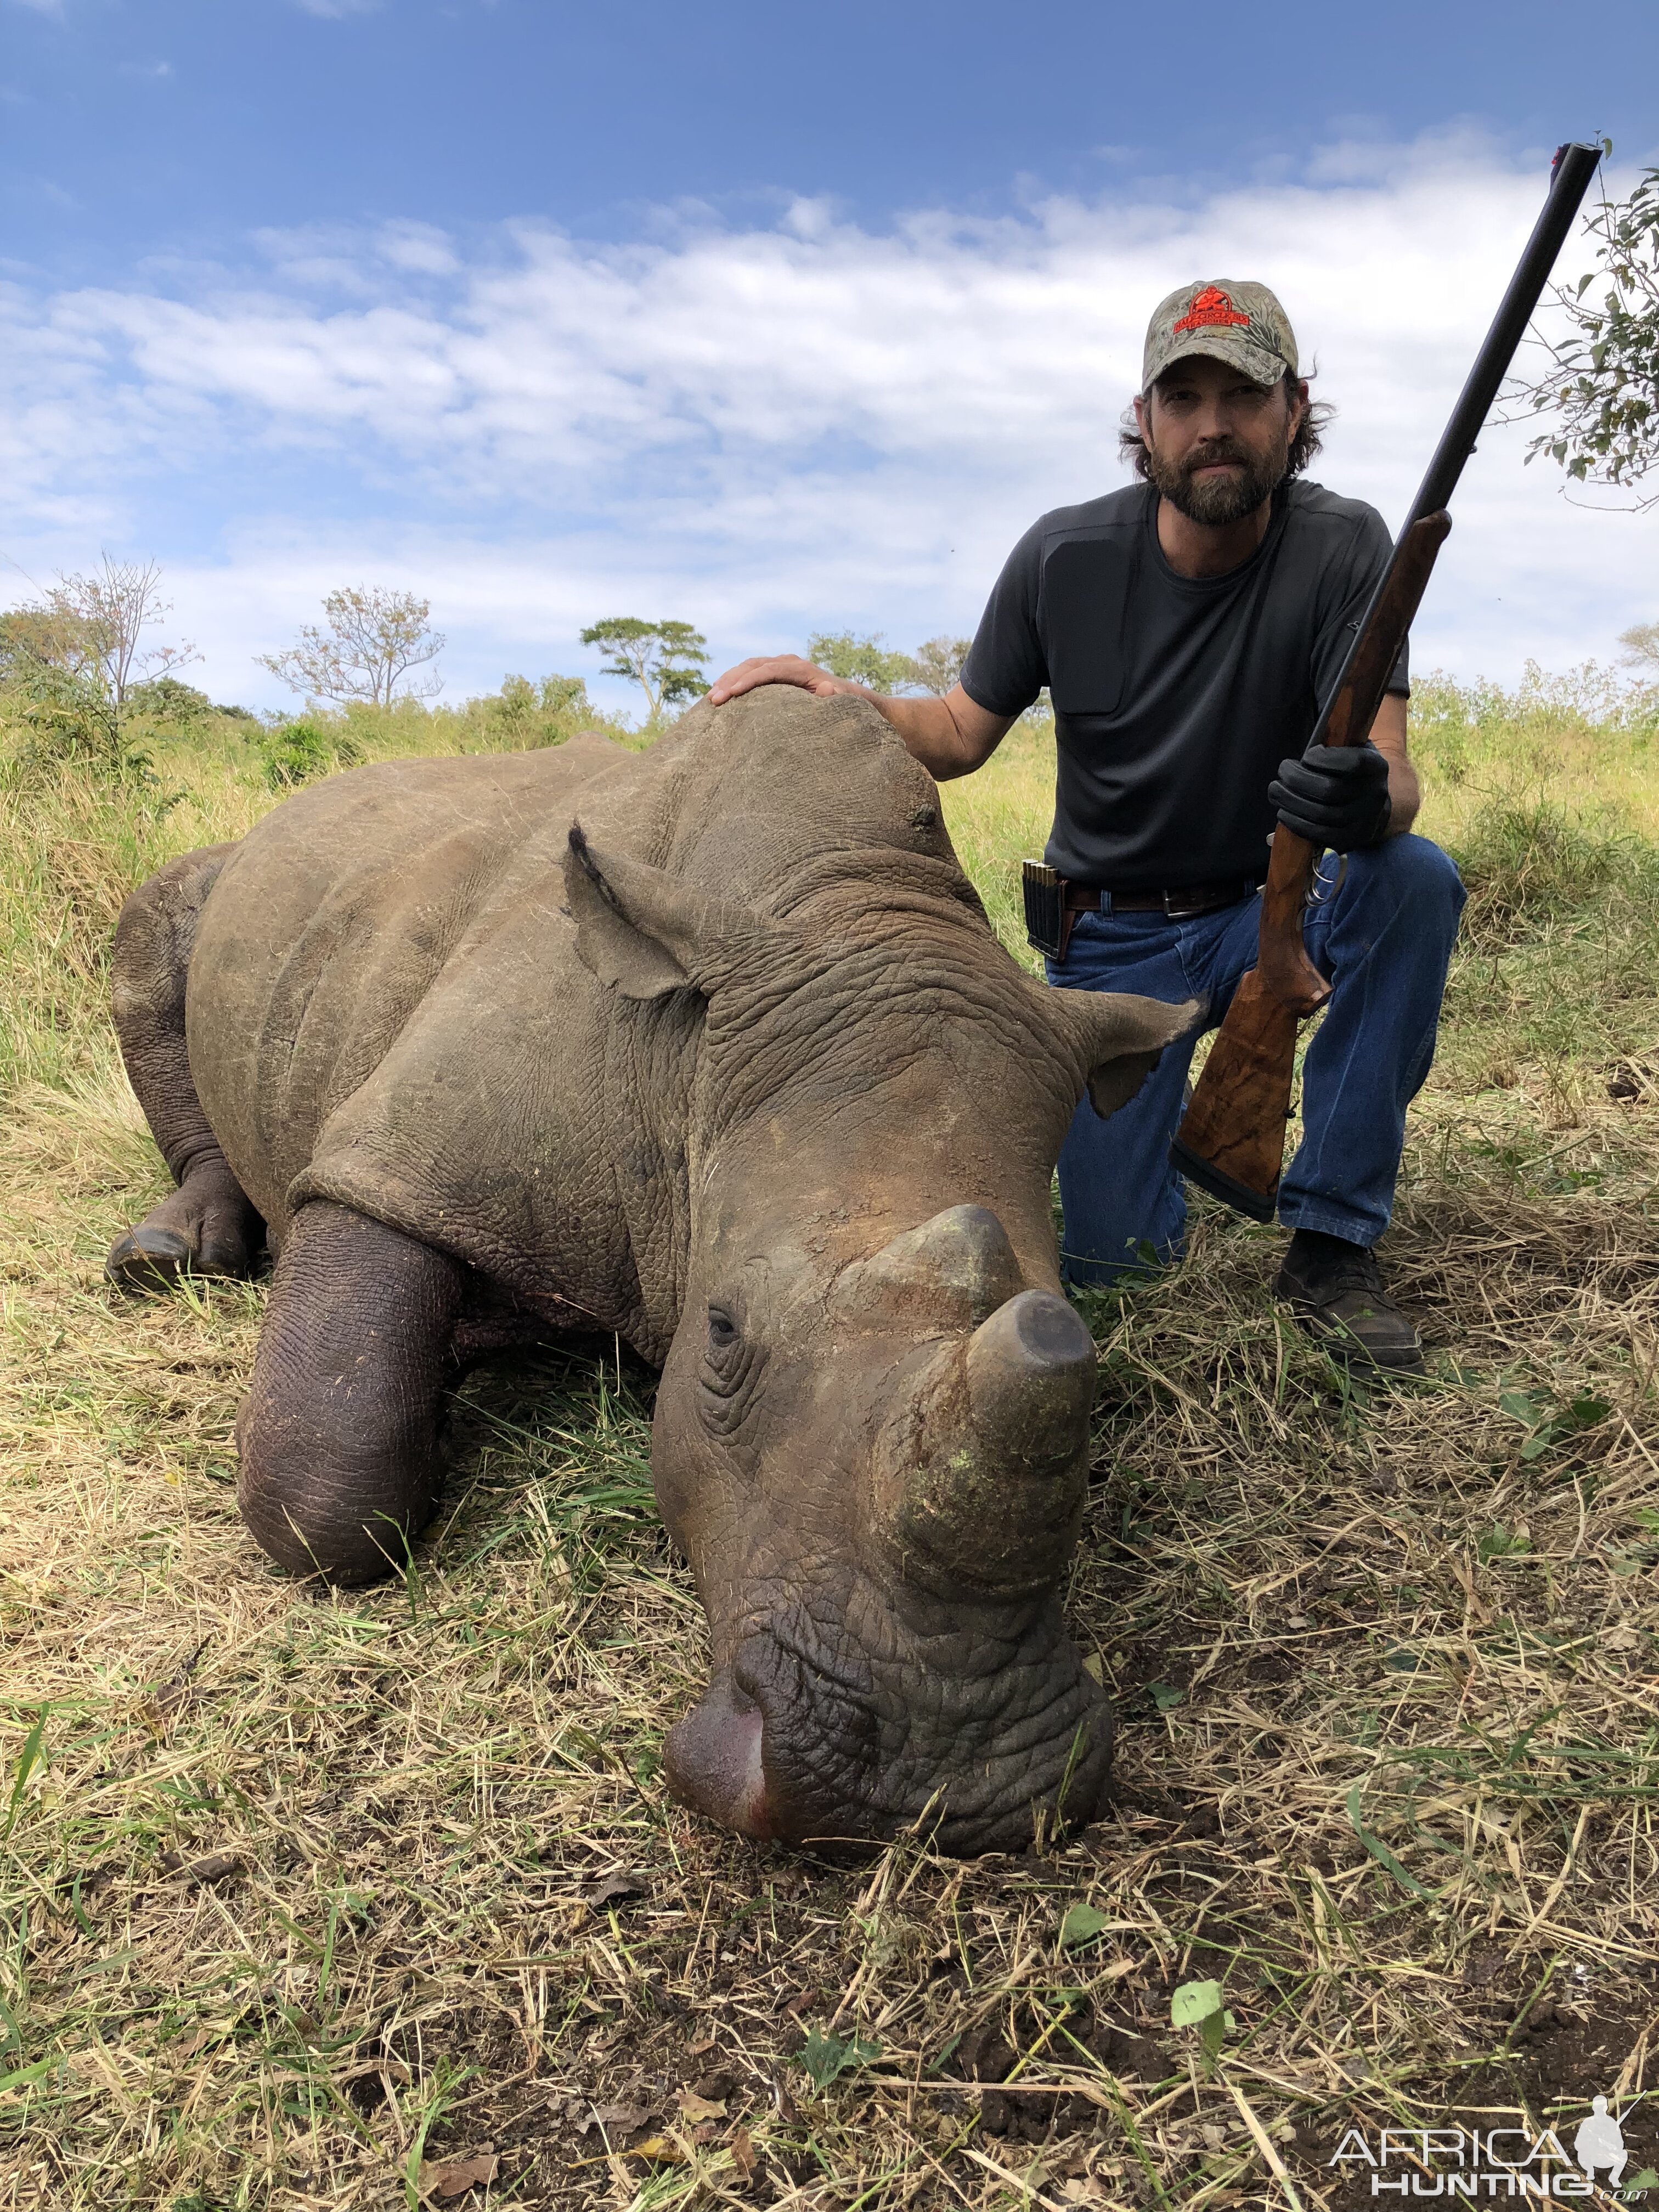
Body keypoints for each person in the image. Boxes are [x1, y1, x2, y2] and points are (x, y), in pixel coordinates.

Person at [708, 279, 1465, 1372]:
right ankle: (1162, 1184)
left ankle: (1333, 1245)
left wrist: (1365, 802)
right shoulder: (1063, 557)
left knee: (1412, 878)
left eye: (1244, 397)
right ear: (1144, 420)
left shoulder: (1348, 546)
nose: (1214, 426)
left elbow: (1392, 775)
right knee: (1115, 1267)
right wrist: (837, 700)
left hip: (1267, 906)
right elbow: (962, 730)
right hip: (1109, 945)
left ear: (1295, 411)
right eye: (1184, 396)